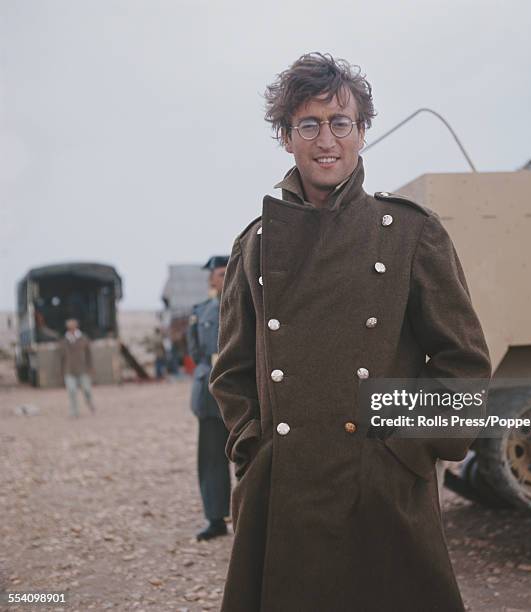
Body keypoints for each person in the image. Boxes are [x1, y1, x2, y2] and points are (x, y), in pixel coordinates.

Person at [209, 52, 491, 612]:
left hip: (382, 492)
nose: (325, 140)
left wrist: (401, 451)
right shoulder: (256, 244)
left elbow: (464, 364)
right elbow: (233, 372)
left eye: (340, 122)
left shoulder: (410, 233)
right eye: (307, 124)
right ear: (286, 137)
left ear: (362, 132)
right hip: (284, 492)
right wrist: (256, 452)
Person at [187, 256, 231, 541]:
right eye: (219, 274)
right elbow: (195, 353)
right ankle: (216, 518)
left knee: (252, 456)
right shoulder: (200, 311)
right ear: (211, 280)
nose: (223, 278)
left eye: (228, 272)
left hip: (245, 390)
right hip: (210, 392)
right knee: (212, 458)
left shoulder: (252, 301)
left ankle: (252, 516)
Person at [59, 318, 95, 417]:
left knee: (87, 390)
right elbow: (61, 358)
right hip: (69, 370)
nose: (71, 329)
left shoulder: (83, 338)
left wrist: (90, 367)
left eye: (73, 327)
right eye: (69, 327)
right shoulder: (64, 340)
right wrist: (61, 372)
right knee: (72, 391)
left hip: (82, 369)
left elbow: (89, 355)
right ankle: (74, 412)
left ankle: (89, 402)